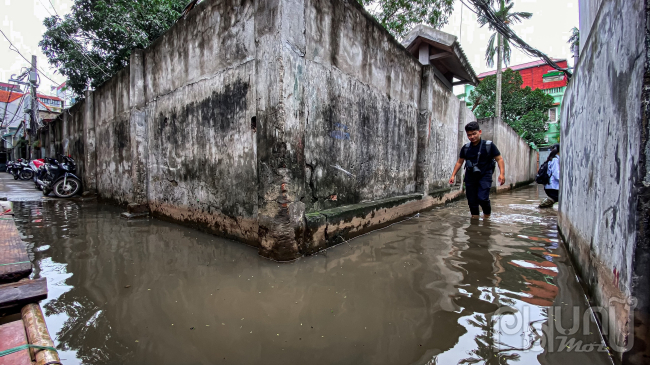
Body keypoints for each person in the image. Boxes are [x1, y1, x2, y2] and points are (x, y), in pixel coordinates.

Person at [449, 122, 506, 219]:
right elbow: (460, 162)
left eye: (474, 133)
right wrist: (453, 175)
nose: (472, 137)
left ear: (480, 132)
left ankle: (487, 217)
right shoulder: (466, 148)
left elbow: (499, 159)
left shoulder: (489, 145)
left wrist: (502, 174)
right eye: (469, 135)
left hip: (485, 175)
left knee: (483, 198)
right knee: (472, 201)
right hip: (470, 177)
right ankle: (475, 219)